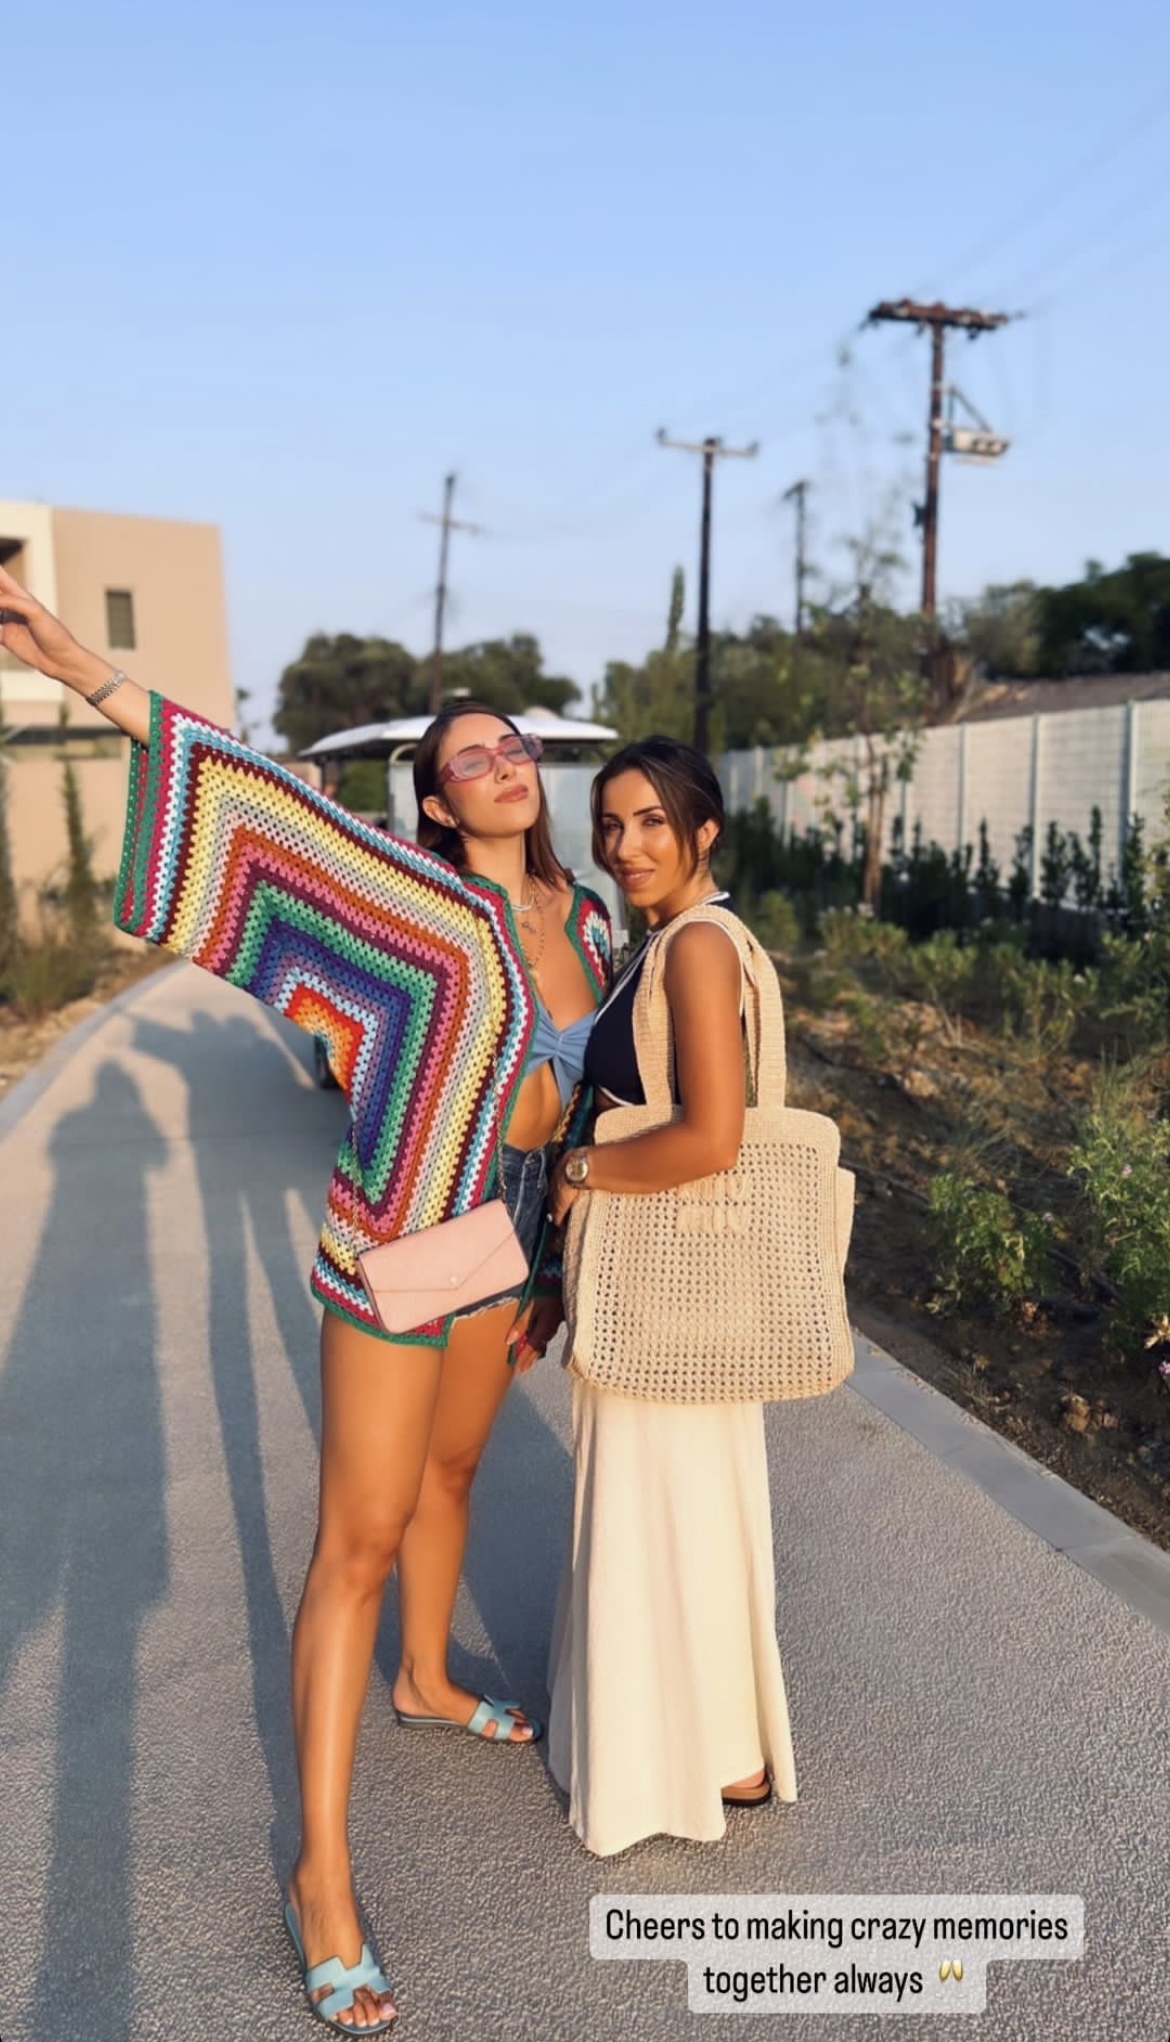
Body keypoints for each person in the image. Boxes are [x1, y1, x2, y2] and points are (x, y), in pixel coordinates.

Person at [0, 565, 611, 2034]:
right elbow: (264, 807)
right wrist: (83, 668)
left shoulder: (588, 920)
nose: (501, 762)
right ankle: (320, 1876)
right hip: (399, 1238)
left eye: (513, 743)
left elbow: (605, 1087)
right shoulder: (416, 897)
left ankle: (424, 1677)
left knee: (453, 1475)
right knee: (358, 1536)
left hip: (509, 1244)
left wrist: (563, 1250)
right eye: (468, 756)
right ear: (436, 801)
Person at [546, 735, 797, 1858]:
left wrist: (582, 1167)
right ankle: (723, 1747)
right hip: (681, 1285)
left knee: (662, 1511)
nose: (625, 845)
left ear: (704, 832)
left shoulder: (695, 945)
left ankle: (690, 1758)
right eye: (611, 823)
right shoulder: (674, 942)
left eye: (652, 822)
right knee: (686, 1511)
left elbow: (711, 1137)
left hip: (667, 1283)